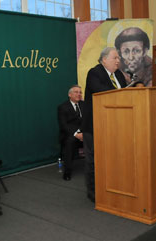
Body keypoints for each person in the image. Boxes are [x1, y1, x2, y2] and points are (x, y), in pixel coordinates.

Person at [81, 47, 143, 203]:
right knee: (93, 160)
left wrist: (136, 86)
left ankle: (113, 187)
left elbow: (125, 94)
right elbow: (102, 92)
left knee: (112, 158)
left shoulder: (118, 76)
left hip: (114, 125)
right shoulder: (94, 73)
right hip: (94, 124)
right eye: (115, 58)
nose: (118, 61)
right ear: (104, 60)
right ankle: (93, 192)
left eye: (118, 58)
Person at [57, 85, 84, 181]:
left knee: (94, 138)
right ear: (69, 94)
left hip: (83, 133)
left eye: (80, 92)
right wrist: (76, 134)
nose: (79, 94)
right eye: (76, 92)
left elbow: (88, 120)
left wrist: (83, 133)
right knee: (69, 142)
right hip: (70, 134)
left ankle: (96, 168)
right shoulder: (62, 107)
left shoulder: (84, 105)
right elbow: (63, 125)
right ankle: (67, 172)